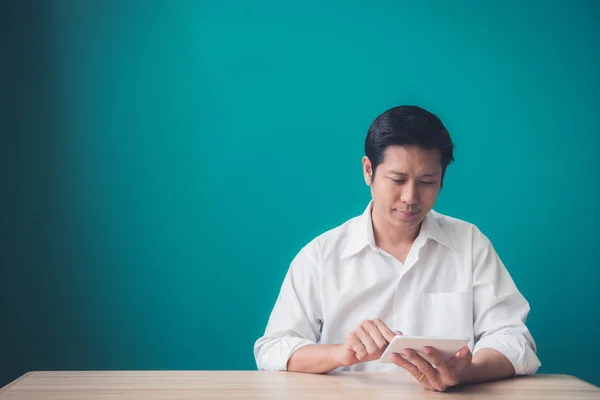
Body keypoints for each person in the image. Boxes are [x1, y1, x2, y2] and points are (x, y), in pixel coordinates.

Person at [253, 105, 540, 392]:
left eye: (427, 182)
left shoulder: (469, 243)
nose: (410, 197)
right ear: (369, 171)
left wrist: (467, 371)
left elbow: (514, 338)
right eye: (397, 180)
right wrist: (339, 354)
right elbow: (274, 348)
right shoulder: (321, 255)